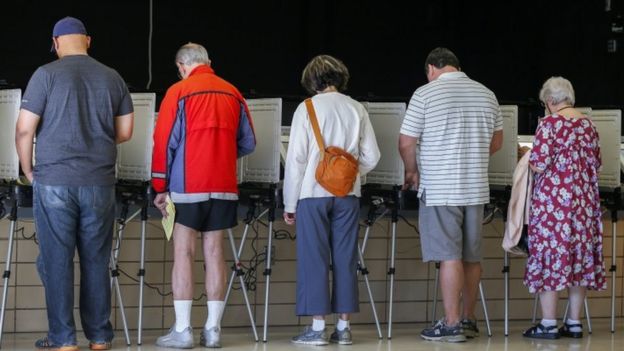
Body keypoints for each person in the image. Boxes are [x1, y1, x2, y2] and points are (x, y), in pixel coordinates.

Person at [15, 16, 134, 351]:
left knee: (56, 260)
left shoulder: (45, 75)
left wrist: (28, 170)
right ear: (88, 41)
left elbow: (25, 129)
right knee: (96, 259)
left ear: (55, 44)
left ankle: (63, 339)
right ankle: (99, 337)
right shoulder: (112, 77)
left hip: (53, 181)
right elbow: (125, 132)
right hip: (99, 182)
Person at [151, 43, 256, 349]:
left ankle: (182, 330)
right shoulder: (233, 92)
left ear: (182, 66)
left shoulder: (178, 91)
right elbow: (249, 142)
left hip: (187, 187)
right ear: (208, 62)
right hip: (223, 186)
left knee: (184, 251)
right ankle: (213, 330)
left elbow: (163, 143)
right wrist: (220, 155)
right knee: (215, 253)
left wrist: (160, 186)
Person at [398, 47, 503, 342]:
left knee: (448, 256)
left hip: (441, 187)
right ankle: (468, 319)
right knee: (471, 256)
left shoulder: (425, 94)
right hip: (476, 188)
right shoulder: (486, 93)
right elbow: (496, 143)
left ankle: (452, 322)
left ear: (432, 68)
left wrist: (412, 171)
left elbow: (406, 142)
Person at [283, 55, 380, 346]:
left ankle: (316, 329)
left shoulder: (307, 108)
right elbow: (372, 156)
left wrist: (289, 204)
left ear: (312, 80)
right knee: (345, 258)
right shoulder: (356, 108)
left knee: (314, 258)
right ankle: (344, 327)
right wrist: (348, 173)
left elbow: (297, 160)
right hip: (348, 195)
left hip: (313, 194)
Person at [522, 77, 606, 339]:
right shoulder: (588, 125)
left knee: (551, 257)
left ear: (549, 102)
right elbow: (598, 164)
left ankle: (548, 323)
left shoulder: (549, 124)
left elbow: (538, 164)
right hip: (584, 206)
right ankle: (574, 323)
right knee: (577, 259)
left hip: (553, 207)